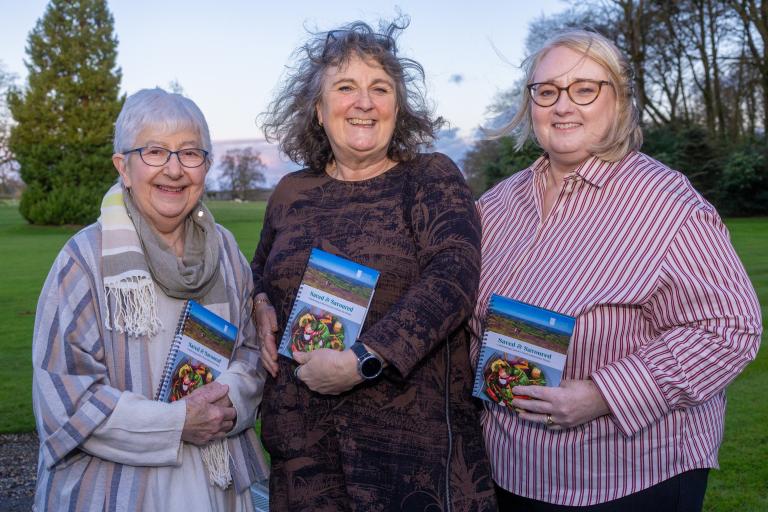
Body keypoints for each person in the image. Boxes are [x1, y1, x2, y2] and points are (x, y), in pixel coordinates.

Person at [472, 29, 762, 511]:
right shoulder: (497, 205)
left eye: (585, 88)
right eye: (547, 91)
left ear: (620, 101)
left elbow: (729, 329)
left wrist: (602, 394)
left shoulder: (667, 204)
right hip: (510, 469)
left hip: (628, 478)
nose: (563, 105)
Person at [252, 19, 496, 511]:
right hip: (305, 461)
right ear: (318, 111)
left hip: (412, 464)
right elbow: (259, 271)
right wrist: (258, 302)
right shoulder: (290, 193)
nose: (363, 101)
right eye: (345, 87)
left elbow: (453, 280)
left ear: (396, 108)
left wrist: (363, 360)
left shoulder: (430, 178)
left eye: (379, 88)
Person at [32, 88, 268, 511]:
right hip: (115, 492)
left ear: (206, 167)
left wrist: (222, 403)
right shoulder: (85, 258)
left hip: (215, 488)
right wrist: (177, 423)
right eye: (155, 152)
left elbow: (252, 352)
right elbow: (63, 396)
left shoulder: (227, 251)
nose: (174, 170)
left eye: (190, 153)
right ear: (123, 167)